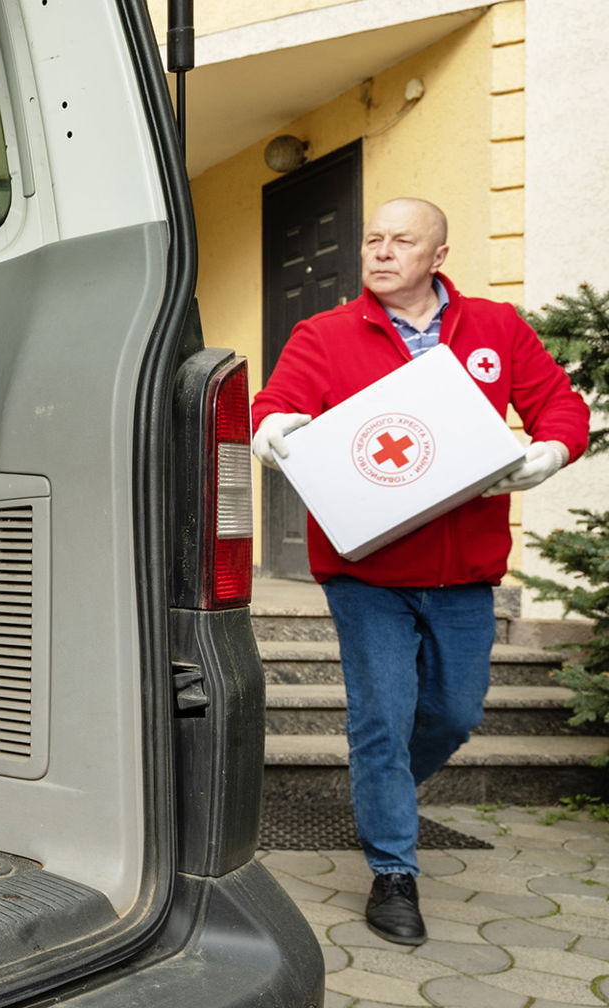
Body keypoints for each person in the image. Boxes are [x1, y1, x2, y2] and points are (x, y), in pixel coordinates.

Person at [250, 197, 589, 946]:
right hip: (365, 570)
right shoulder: (325, 334)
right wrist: (274, 428)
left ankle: (382, 792)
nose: (380, 251)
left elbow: (559, 405)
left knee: (455, 714)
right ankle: (394, 872)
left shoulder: (495, 330)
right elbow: (276, 402)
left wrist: (550, 452)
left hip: (465, 571)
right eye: (373, 238)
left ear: (438, 254)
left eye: (402, 240)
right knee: (382, 717)